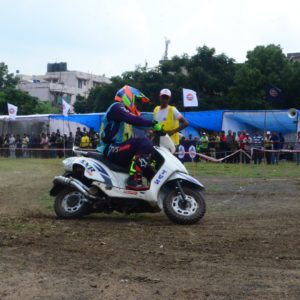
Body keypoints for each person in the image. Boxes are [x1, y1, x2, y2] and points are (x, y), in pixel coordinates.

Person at [97, 85, 161, 190]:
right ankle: (133, 180)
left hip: (118, 149)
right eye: (136, 101)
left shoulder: (124, 114)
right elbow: (132, 119)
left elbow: (139, 123)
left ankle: (157, 187)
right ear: (128, 96)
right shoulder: (116, 107)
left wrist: (157, 129)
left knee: (147, 160)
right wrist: (153, 123)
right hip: (109, 148)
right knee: (143, 142)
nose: (136, 105)